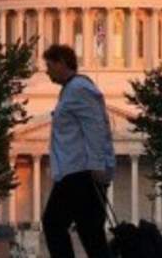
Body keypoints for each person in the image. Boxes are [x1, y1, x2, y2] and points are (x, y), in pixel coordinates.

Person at [41, 44, 116, 258]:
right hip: (75, 171)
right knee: (91, 234)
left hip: (80, 173)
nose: (46, 71)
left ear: (63, 62)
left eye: (49, 65)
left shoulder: (80, 89)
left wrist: (97, 165)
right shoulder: (71, 89)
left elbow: (96, 128)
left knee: (53, 223)